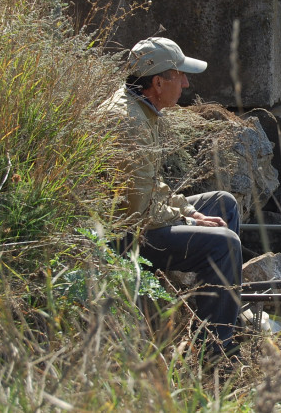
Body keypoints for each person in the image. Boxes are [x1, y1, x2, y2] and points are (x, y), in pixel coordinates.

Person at [101, 36, 242, 356]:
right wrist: (185, 216)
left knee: (223, 204)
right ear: (158, 82)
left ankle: (219, 308)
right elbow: (136, 213)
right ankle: (215, 349)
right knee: (226, 244)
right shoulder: (129, 123)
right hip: (125, 239)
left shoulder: (140, 109)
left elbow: (152, 186)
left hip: (142, 219)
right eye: (180, 76)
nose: (186, 83)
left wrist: (191, 214)